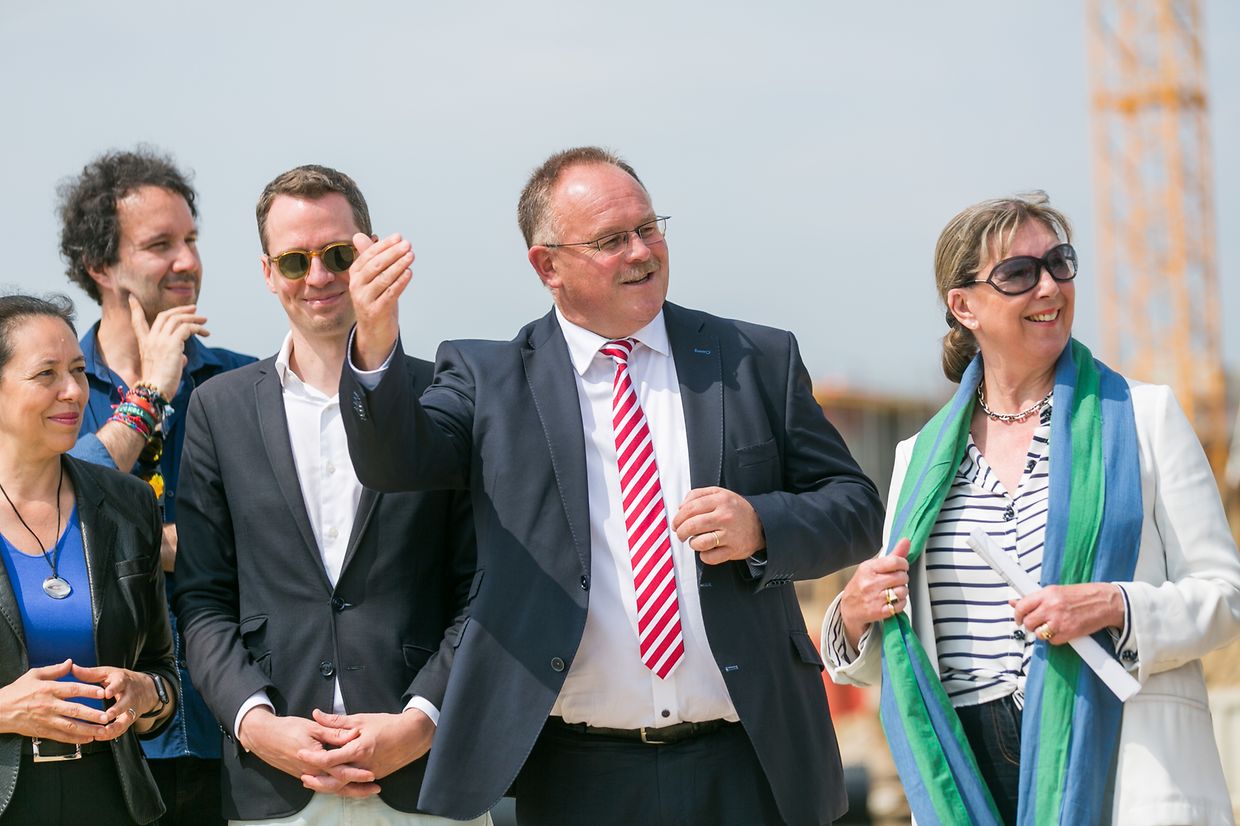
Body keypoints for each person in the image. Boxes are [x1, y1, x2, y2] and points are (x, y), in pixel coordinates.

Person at [339, 146, 884, 825]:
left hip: (750, 760)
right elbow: (395, 462)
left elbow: (858, 508)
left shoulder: (756, 360)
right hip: (577, 776)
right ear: (548, 266)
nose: (641, 251)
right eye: (610, 240)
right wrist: (375, 337)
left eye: (648, 227)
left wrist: (762, 526)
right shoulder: (488, 381)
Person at [821, 193, 1240, 825]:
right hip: (971, 768)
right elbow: (913, 649)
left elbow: (1225, 596)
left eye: (1059, 263)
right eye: (1019, 274)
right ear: (964, 308)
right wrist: (853, 615)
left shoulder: (1145, 418)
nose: (1049, 286)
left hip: (1115, 755)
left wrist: (1117, 607)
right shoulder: (919, 457)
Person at [172, 165, 487, 825]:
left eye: (338, 254)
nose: (318, 276)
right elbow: (202, 601)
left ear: (369, 252)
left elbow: (482, 590)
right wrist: (256, 725)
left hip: (426, 781)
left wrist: (421, 721)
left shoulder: (450, 396)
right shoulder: (217, 409)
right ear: (267, 272)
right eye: (294, 260)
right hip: (276, 788)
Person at [57, 147, 256, 824]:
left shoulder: (245, 383)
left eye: (192, 241)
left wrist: (187, 544)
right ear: (100, 266)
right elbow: (50, 513)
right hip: (93, 736)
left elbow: (289, 533)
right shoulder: (53, 391)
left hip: (233, 727)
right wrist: (149, 394)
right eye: (160, 245)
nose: (187, 263)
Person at [0, 294, 177, 825]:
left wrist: (147, 694)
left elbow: (162, 675)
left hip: (111, 801)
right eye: (46, 374)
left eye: (77, 369)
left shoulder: (128, 503)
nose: (74, 391)